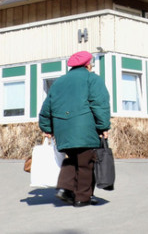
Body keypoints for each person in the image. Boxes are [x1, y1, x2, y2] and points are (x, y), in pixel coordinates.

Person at [39, 51, 111, 207]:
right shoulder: (92, 79)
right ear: (87, 65)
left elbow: (46, 107)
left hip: (62, 130)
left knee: (72, 158)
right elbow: (100, 104)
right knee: (86, 162)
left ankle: (65, 189)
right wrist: (103, 126)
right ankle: (82, 198)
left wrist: (47, 128)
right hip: (85, 129)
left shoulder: (59, 82)